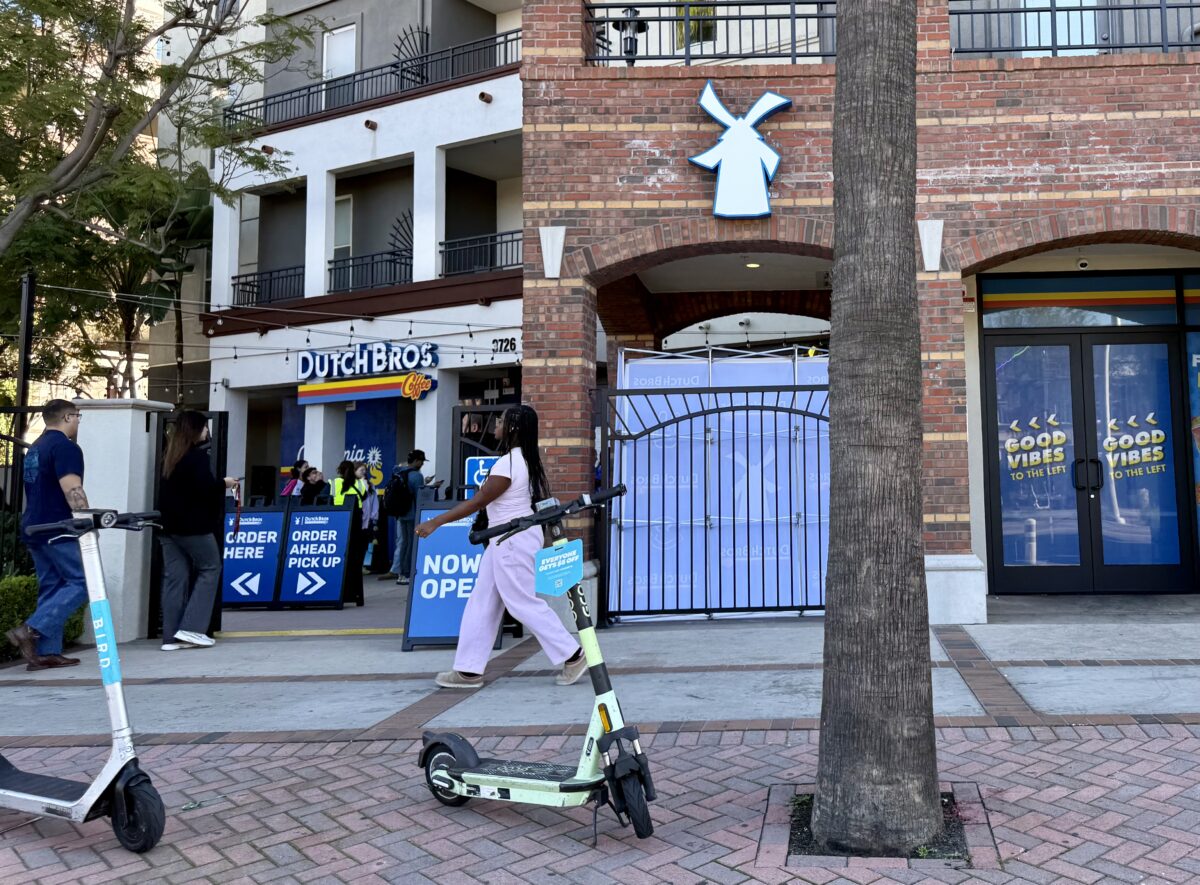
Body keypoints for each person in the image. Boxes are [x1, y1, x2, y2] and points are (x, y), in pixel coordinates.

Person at [416, 404, 585, 689]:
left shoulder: (509, 463)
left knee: (521, 602)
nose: (495, 423)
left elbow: (478, 502)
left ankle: (574, 654)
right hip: (507, 539)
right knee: (483, 602)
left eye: (501, 420)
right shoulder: (524, 460)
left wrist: (437, 522)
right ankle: (468, 670)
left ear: (513, 428)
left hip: (511, 540)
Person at [6, 400, 91, 670]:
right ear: (67, 416)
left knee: (52, 586)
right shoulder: (65, 447)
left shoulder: (35, 448)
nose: (78, 421)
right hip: (59, 527)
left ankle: (45, 653)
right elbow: (72, 488)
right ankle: (32, 628)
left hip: (34, 525)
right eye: (77, 416)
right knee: (82, 581)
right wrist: (86, 522)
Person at [158, 411, 239, 651]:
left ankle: (170, 637)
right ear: (196, 430)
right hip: (194, 527)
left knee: (175, 579)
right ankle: (192, 629)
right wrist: (225, 483)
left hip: (168, 527)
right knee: (211, 568)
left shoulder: (169, 457)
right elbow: (205, 489)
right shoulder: (197, 457)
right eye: (204, 428)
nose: (207, 432)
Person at [386, 450, 441, 583]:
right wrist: (433, 487)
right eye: (421, 461)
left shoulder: (398, 472)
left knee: (403, 543)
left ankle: (400, 573)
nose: (422, 464)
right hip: (412, 514)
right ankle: (406, 573)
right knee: (410, 544)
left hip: (400, 513)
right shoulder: (416, 476)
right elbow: (420, 496)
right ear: (416, 461)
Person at [331, 460, 368, 605]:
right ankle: (355, 594)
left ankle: (339, 592)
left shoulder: (334, 483)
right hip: (355, 521)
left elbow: (330, 498)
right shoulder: (359, 483)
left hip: (338, 518)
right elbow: (364, 498)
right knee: (354, 559)